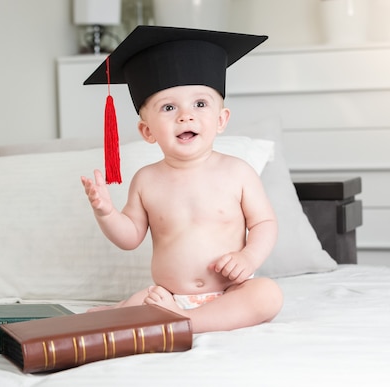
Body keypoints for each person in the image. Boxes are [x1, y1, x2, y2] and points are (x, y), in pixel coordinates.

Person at [80, 26, 283, 333]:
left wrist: (248, 257)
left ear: (221, 120)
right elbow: (130, 237)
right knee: (137, 303)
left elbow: (264, 223)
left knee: (267, 295)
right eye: (169, 107)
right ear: (147, 131)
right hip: (169, 296)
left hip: (230, 291)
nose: (185, 116)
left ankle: (189, 322)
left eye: (200, 104)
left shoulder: (238, 172)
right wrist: (106, 213)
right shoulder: (146, 180)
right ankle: (141, 312)